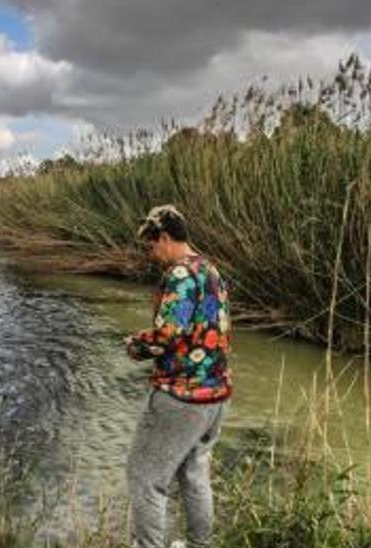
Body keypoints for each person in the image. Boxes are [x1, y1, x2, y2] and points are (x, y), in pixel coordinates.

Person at [123, 205, 231, 548]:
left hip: (182, 396)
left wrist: (135, 345)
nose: (152, 254)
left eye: (152, 246)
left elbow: (168, 334)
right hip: (216, 395)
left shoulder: (181, 275)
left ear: (166, 238)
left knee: (145, 478)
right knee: (194, 474)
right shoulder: (211, 269)